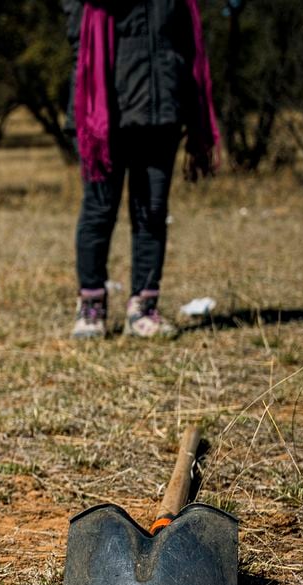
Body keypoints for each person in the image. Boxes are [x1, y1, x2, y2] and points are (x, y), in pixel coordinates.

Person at [66, 0, 220, 340]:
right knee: (99, 209)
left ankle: (144, 307)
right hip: (103, 110)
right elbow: (77, 30)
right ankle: (91, 306)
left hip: (161, 108)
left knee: (151, 211)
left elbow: (184, 38)